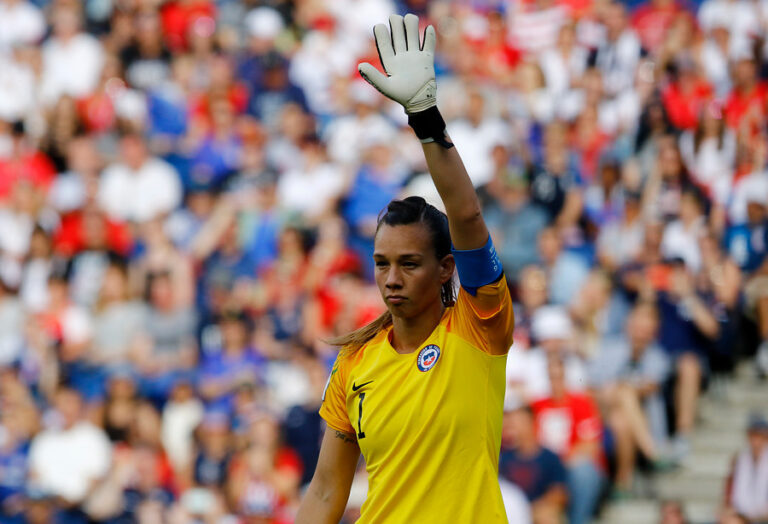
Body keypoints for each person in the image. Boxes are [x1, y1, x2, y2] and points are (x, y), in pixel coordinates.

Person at [296, 14, 515, 523]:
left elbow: (467, 215)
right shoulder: (355, 363)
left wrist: (425, 117)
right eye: (381, 264)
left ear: (446, 269)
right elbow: (327, 491)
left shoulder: (478, 326)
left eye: (409, 263)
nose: (391, 278)